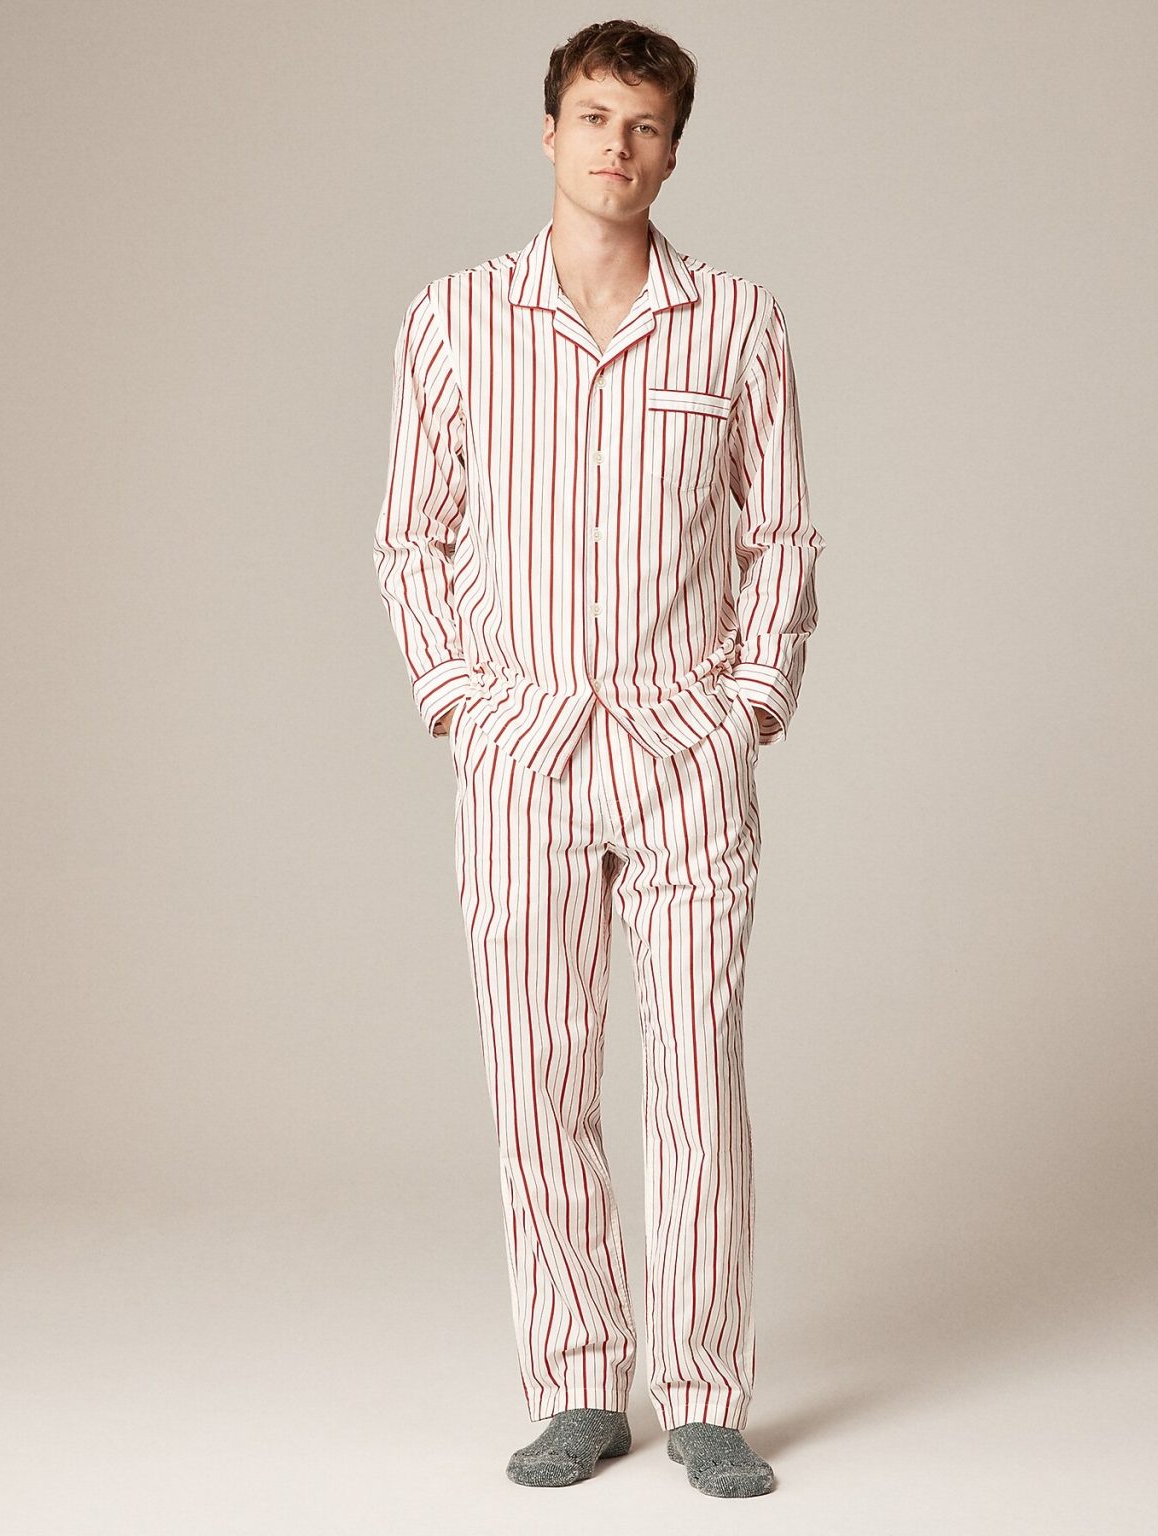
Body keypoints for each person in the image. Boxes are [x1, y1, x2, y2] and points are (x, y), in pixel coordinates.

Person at [372, 18, 823, 1499]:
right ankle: (576, 1385)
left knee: (700, 1072)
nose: (615, 146)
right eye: (591, 117)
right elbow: (411, 535)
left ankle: (705, 1394)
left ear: (673, 151)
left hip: (682, 750)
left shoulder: (736, 322)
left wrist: (748, 702)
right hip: (525, 754)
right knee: (538, 1074)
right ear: (550, 132)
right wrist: (462, 699)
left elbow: (781, 534)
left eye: (644, 125)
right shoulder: (453, 320)